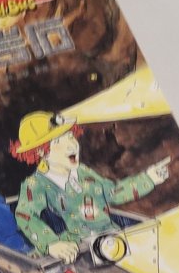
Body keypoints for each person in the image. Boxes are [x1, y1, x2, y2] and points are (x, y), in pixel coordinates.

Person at [10, 111, 170, 263]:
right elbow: (25, 215)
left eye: (70, 136)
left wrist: (149, 178)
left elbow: (112, 192)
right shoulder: (36, 184)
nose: (71, 145)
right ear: (41, 152)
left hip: (111, 239)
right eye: (58, 142)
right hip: (78, 249)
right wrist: (51, 244)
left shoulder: (83, 171)